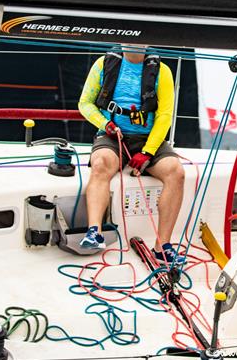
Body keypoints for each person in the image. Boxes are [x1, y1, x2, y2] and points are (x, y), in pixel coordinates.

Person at [77, 46, 186, 263]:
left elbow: (164, 116)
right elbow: (85, 104)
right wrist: (104, 123)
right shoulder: (103, 64)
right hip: (112, 134)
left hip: (149, 138)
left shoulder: (162, 71)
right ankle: (93, 232)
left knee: (176, 172)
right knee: (100, 165)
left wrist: (148, 151)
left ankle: (162, 246)